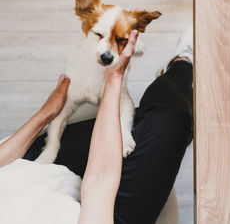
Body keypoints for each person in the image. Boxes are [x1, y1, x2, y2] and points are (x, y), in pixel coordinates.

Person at [0, 29, 193, 224]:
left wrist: (46, 114)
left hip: (30, 169)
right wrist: (114, 79)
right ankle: (182, 64)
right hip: (102, 214)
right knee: (172, 119)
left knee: (136, 123)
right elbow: (100, 180)